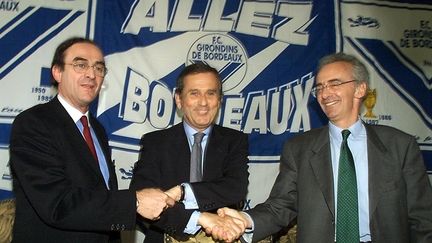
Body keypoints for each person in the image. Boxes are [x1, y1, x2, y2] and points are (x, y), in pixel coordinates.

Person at [215, 52, 432, 243]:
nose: (325, 93)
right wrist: (246, 219)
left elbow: (423, 219)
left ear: (360, 89)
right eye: (320, 87)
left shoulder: (400, 146)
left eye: (334, 84)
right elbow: (281, 206)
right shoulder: (298, 149)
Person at [9, 37, 175, 243]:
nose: (91, 74)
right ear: (57, 72)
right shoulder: (33, 123)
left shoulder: (96, 129)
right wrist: (134, 202)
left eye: (99, 68)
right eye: (80, 65)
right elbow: (57, 204)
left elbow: (101, 196)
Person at [129, 63, 249, 242]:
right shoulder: (155, 142)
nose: (203, 102)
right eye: (194, 93)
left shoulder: (235, 141)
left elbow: (234, 189)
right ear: (179, 99)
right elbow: (142, 200)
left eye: (211, 93)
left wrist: (184, 191)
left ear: (220, 99)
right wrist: (196, 219)